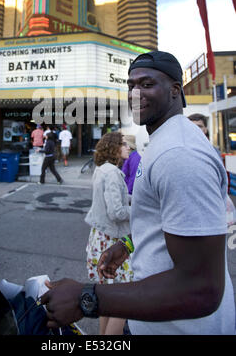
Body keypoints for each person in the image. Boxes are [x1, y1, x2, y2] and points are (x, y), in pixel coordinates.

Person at [41, 50, 235, 335]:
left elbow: (202, 288)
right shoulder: (164, 140)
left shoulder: (179, 155)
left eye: (147, 84)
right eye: (130, 85)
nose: (134, 92)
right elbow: (165, 221)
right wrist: (129, 244)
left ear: (174, 90)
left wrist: (87, 297)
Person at [85, 131, 133, 335]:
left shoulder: (101, 169)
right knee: (123, 302)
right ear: (114, 148)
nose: (128, 147)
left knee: (105, 299)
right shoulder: (113, 173)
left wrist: (130, 198)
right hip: (112, 242)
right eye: (124, 144)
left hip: (98, 238)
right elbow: (117, 212)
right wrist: (141, 209)